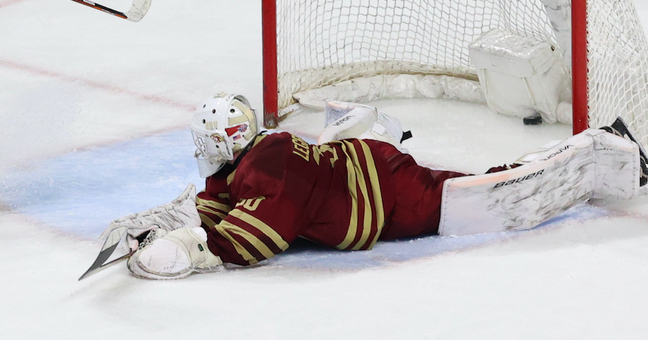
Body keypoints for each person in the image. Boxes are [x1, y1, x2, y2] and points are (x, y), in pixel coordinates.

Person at [110, 93, 648, 279]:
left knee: (509, 203)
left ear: (227, 140)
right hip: (380, 174)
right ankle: (596, 149)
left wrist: (192, 250)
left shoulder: (267, 168)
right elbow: (221, 206)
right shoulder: (258, 155)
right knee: (488, 185)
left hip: (400, 201)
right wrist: (171, 230)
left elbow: (254, 239)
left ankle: (608, 152)